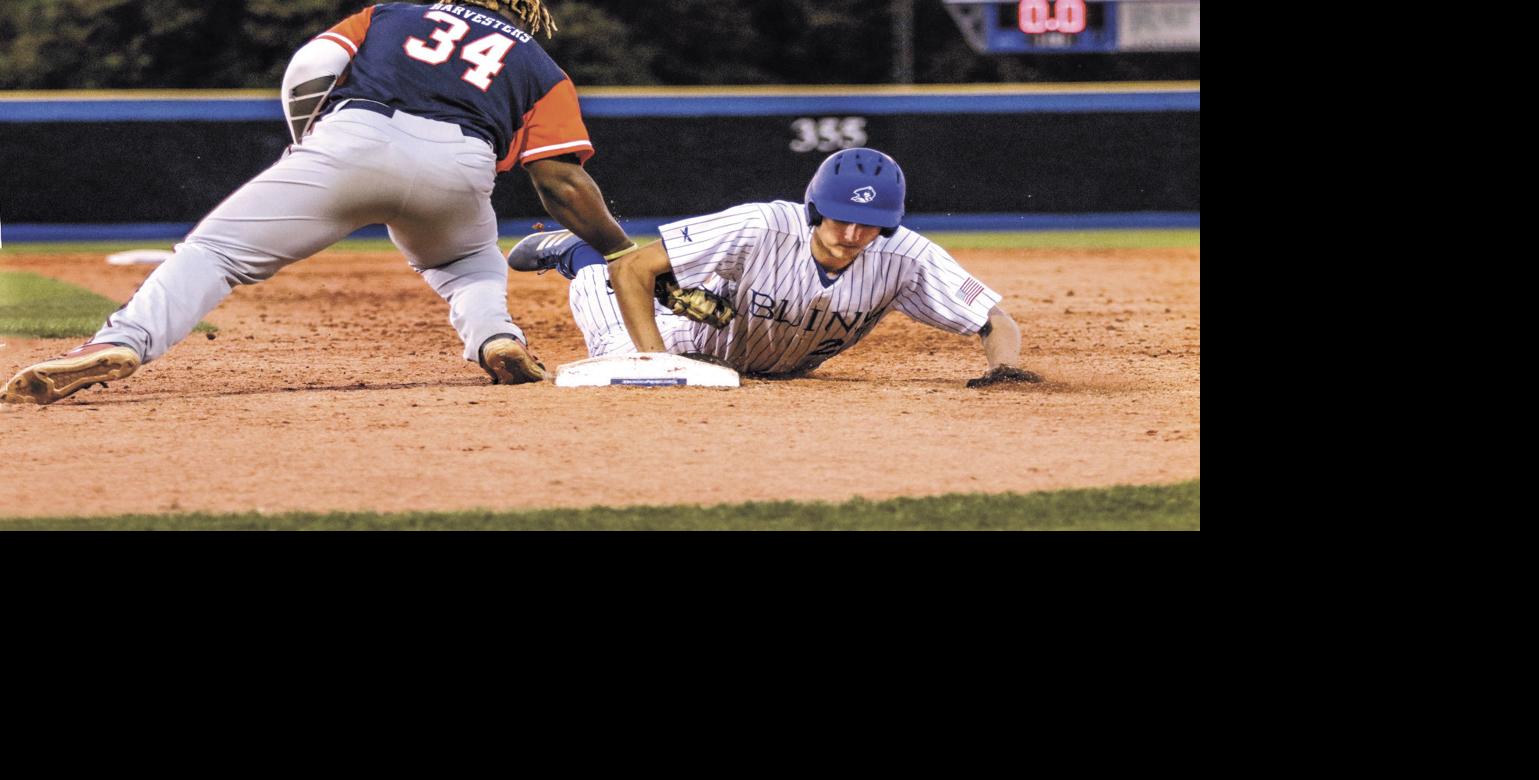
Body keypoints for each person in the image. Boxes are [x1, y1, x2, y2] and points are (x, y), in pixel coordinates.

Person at [3, 1, 637, 406]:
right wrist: (623, 253)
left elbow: (311, 65)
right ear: (525, 11)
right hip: (461, 165)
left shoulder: (391, 13)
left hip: (354, 136)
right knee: (470, 263)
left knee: (216, 253)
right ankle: (496, 338)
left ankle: (122, 344)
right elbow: (561, 184)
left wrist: (318, 147)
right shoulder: (542, 66)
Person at [506, 147, 1043, 387]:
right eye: (840, 220)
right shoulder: (764, 225)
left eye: (871, 224)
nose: (854, 235)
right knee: (617, 339)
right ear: (815, 210)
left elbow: (993, 320)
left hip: (764, 362)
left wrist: (1004, 371)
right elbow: (636, 269)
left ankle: (659, 284)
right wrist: (655, 360)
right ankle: (576, 254)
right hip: (684, 337)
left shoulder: (907, 257)